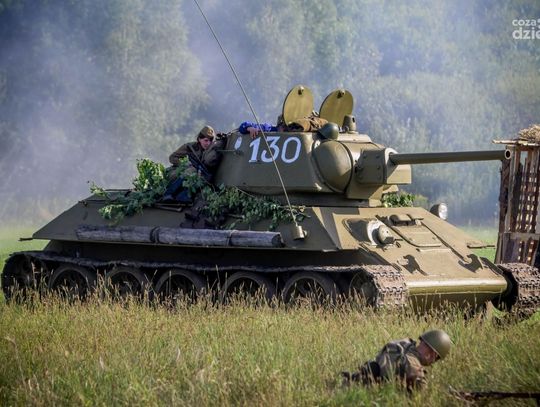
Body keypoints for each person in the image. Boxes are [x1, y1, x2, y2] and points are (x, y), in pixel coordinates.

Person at [341, 329, 452, 391]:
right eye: (436, 359)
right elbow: (423, 391)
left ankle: (354, 378)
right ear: (433, 355)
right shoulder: (413, 365)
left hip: (372, 373)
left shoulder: (402, 343)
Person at [162, 125, 226, 202]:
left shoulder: (209, 152)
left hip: (193, 177)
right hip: (177, 173)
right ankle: (168, 193)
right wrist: (184, 163)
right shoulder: (189, 147)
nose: (208, 143)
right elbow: (172, 158)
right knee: (191, 170)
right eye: (206, 140)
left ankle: (183, 195)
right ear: (199, 139)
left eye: (210, 141)